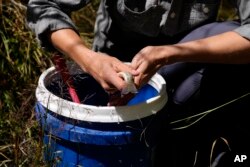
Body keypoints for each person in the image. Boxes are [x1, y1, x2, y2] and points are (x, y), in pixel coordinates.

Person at [27, 0, 250, 166]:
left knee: (227, 36)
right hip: (116, 74)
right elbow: (45, 6)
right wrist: (88, 59)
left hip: (187, 66)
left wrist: (171, 53)